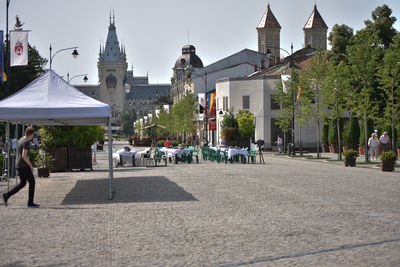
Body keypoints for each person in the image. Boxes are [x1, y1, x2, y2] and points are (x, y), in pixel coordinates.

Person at [2, 127, 40, 208]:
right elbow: (24, 155)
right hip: (24, 165)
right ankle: (30, 202)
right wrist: (30, 165)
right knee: (32, 182)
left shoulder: (21, 139)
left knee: (22, 183)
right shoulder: (26, 142)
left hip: (18, 165)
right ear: (32, 134)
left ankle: (6, 195)